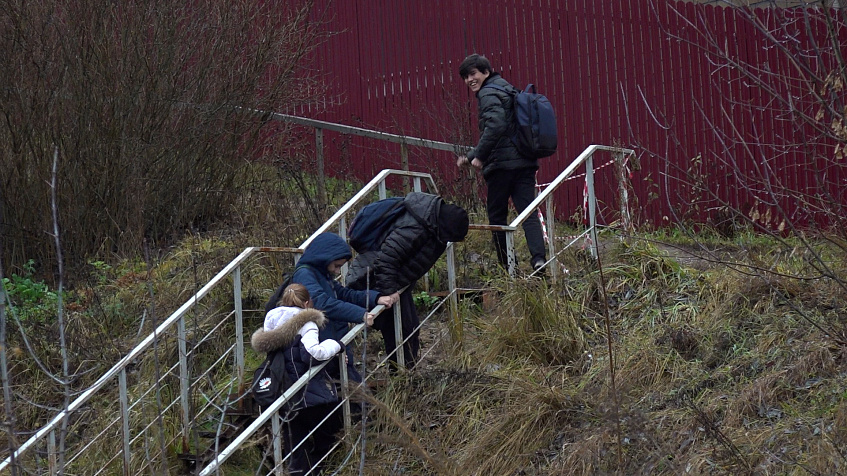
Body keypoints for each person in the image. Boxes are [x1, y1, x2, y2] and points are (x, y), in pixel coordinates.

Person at [346, 192, 469, 370]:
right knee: (401, 331)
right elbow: (386, 260)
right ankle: (401, 378)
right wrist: (388, 291)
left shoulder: (429, 224)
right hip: (371, 281)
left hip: (388, 282)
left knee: (408, 329)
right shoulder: (414, 229)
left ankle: (404, 376)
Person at [456, 53, 547, 275]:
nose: (469, 80)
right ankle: (539, 260)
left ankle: (508, 268)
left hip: (502, 165)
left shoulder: (488, 93)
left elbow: (495, 125)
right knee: (528, 212)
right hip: (525, 161)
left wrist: (477, 155)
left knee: (497, 217)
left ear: (486, 72)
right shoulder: (509, 89)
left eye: (473, 74)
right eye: (465, 77)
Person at [250, 283, 344, 475]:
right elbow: (313, 354)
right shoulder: (306, 322)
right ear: (308, 302)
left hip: (285, 392)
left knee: (295, 445)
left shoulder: (272, 321)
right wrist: (336, 345)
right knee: (327, 436)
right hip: (308, 391)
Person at [287, 232, 399, 379]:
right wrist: (360, 314)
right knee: (349, 393)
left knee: (352, 391)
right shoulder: (305, 275)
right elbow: (321, 303)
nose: (337, 271)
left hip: (333, 347)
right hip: (322, 350)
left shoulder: (321, 276)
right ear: (324, 258)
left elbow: (344, 294)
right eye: (336, 265)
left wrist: (375, 298)